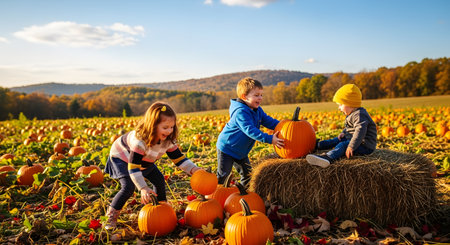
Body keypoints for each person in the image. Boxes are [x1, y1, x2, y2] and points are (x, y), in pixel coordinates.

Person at [104, 102, 202, 229]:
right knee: (128, 186)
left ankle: (161, 208)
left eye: (172, 127)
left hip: (145, 161)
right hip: (123, 158)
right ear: (153, 125)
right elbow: (133, 168)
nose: (169, 131)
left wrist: (193, 169)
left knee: (159, 180)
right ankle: (110, 216)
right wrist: (143, 188)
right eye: (165, 127)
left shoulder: (168, 140)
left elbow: (179, 159)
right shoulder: (140, 142)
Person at [216, 77, 284, 188]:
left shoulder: (257, 110)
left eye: (261, 95)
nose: (260, 98)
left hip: (241, 152)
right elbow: (250, 130)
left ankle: (243, 194)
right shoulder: (240, 112)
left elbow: (268, 121)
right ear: (244, 97)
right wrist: (270, 139)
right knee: (224, 176)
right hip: (227, 148)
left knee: (248, 175)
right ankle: (217, 195)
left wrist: (284, 125)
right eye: (256, 95)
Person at [306, 84, 377, 168]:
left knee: (343, 145)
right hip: (354, 139)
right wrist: (343, 132)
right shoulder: (352, 113)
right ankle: (318, 145)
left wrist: (351, 146)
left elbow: (360, 132)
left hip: (364, 146)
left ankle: (328, 157)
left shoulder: (359, 115)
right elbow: (350, 127)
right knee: (336, 139)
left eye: (340, 105)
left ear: (350, 103)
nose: (339, 108)